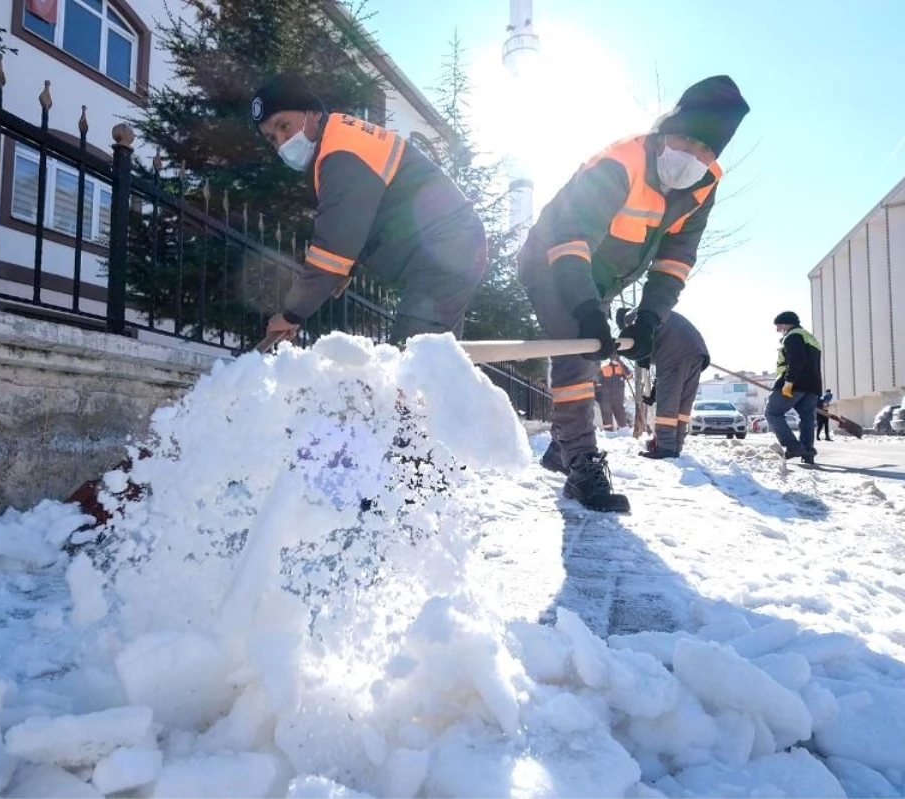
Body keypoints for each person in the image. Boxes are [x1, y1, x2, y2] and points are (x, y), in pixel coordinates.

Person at [524, 75, 750, 512]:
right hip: (552, 260)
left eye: (707, 151)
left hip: (607, 277)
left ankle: (564, 446)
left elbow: (676, 259)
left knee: (588, 348)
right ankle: (580, 467)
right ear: (666, 130)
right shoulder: (620, 162)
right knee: (578, 347)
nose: (695, 157)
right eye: (687, 142)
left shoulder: (704, 184)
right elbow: (571, 239)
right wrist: (586, 307)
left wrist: (650, 318)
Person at [251, 73, 487, 346]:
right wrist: (345, 270)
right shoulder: (338, 142)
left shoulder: (342, 153)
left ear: (313, 113)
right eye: (272, 138)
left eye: (285, 126)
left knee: (410, 363)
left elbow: (333, 245)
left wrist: (292, 313)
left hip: (446, 251)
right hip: (448, 248)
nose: (281, 142)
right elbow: (366, 220)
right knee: (433, 363)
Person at [617, 308, 709, 459]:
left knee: (668, 404)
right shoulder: (651, 312)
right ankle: (675, 446)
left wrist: (637, 352)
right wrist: (654, 392)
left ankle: (665, 447)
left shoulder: (631, 317)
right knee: (682, 406)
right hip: (697, 352)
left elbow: (667, 373)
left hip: (674, 353)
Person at [766, 311, 822, 464]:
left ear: (785, 323)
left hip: (795, 384)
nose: (778, 330)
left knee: (772, 413)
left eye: (778, 326)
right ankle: (807, 451)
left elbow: (796, 360)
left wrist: (789, 382)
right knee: (806, 419)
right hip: (813, 386)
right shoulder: (809, 337)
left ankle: (793, 446)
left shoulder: (793, 336)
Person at [596, 355, 632, 431]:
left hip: (618, 397)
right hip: (605, 398)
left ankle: (624, 431)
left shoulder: (621, 367)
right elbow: (597, 383)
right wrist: (598, 395)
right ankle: (608, 433)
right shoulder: (604, 368)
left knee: (620, 414)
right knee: (606, 415)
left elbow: (629, 375)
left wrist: (622, 365)